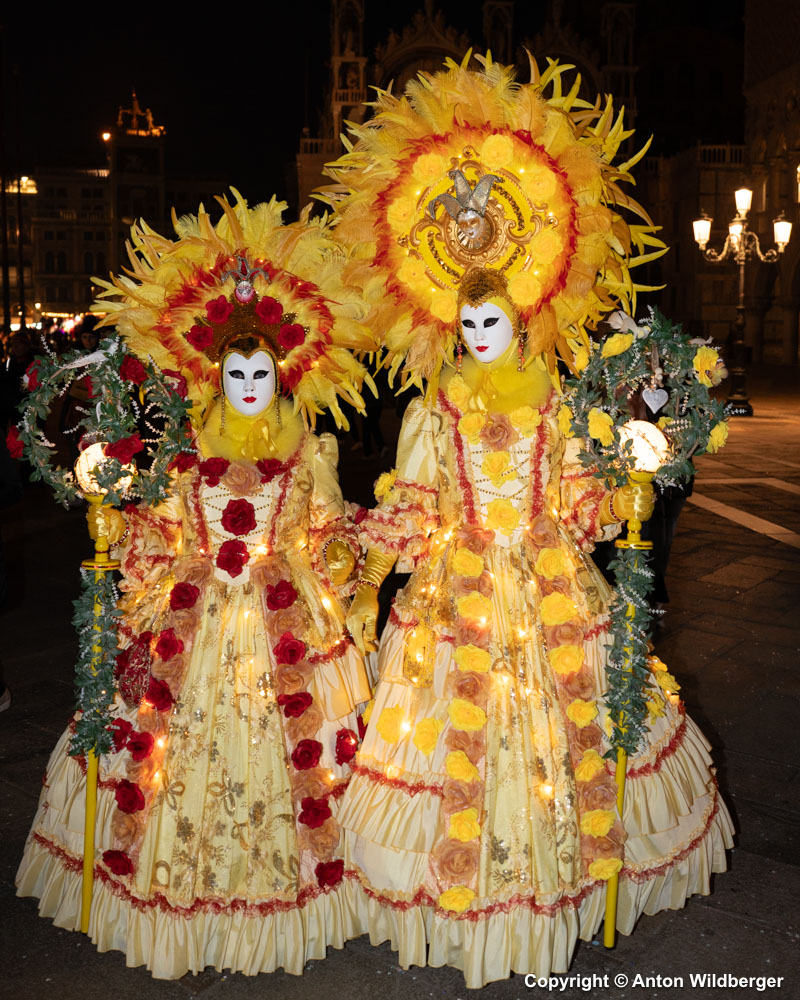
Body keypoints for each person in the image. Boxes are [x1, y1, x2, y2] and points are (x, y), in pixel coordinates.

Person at [326, 57, 734, 987]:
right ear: (452, 329)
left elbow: (576, 499)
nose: (482, 339)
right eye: (469, 328)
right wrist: (365, 560)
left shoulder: (556, 406)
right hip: (458, 587)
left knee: (578, 733)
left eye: (495, 325)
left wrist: (626, 494)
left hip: (551, 583)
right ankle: (465, 897)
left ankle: (574, 880)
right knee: (451, 740)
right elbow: (416, 505)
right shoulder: (432, 413)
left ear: (524, 322)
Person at [16, 193, 375, 978]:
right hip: (194, 616)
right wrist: (116, 528)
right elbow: (159, 533)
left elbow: (330, 533)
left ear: (282, 374)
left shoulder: (308, 454)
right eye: (235, 371)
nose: (248, 383)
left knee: (305, 751)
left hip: (285, 623)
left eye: (260, 372)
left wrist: (339, 565)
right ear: (215, 374)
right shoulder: (184, 457)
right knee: (151, 745)